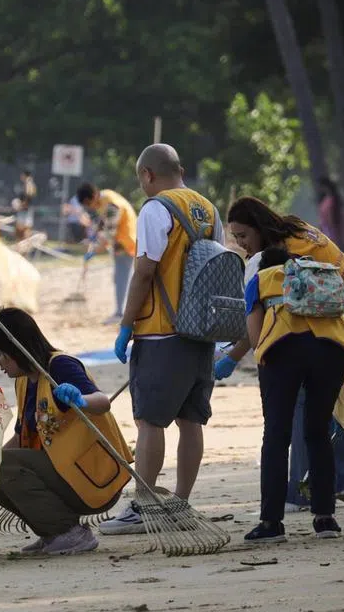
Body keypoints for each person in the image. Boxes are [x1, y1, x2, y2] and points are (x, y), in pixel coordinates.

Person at [221, 195, 344, 509]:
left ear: (259, 229)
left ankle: (298, 494)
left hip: (331, 327)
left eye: (243, 237)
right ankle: (339, 482)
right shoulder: (297, 230)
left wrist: (234, 357)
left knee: (301, 411)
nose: (241, 244)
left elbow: (259, 323)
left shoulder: (268, 261)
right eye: (235, 239)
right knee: (323, 408)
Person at [101, 144, 223, 536]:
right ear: (180, 169)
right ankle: (181, 503)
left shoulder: (156, 209)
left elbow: (144, 272)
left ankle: (144, 505)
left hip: (160, 330)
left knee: (150, 420)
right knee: (191, 420)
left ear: (148, 176)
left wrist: (125, 323)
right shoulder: (208, 208)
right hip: (200, 330)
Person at [237, 246, 344, 542]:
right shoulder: (319, 277)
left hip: (283, 349)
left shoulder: (260, 279)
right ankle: (325, 519)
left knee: (276, 435)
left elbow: (254, 334)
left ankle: (271, 524)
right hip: (330, 351)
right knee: (318, 432)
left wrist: (264, 360)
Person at [0, 308, 131, 555]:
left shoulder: (60, 366)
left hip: (92, 475)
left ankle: (69, 533)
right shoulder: (23, 382)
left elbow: (101, 401)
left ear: (17, 347)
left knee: (1, 465)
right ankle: (52, 530)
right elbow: (21, 439)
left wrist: (81, 400)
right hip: (63, 473)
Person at [77, 183, 138, 322]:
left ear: (92, 197)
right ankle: (121, 311)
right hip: (121, 241)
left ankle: (120, 314)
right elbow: (103, 222)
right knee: (119, 277)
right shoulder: (105, 196)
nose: (90, 207)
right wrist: (94, 235)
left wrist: (94, 250)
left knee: (122, 278)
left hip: (126, 242)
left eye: (88, 203)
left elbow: (108, 235)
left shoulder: (112, 205)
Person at [317, 178, 344, 254]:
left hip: (331, 227)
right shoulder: (326, 199)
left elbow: (330, 215)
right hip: (326, 227)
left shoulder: (332, 200)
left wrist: (331, 226)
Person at [14, 170, 37, 241]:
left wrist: (23, 204)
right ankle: (22, 242)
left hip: (25, 209)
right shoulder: (28, 183)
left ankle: (24, 243)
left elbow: (29, 195)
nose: (21, 177)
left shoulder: (29, 183)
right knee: (21, 228)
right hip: (25, 208)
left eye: (22, 175)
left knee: (24, 228)